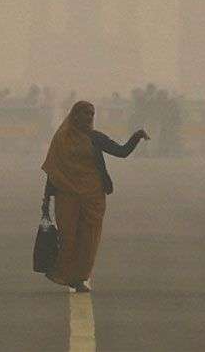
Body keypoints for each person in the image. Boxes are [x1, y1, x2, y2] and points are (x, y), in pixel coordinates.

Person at [41, 101, 149, 292]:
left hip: (93, 196)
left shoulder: (95, 138)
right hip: (66, 195)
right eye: (85, 114)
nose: (89, 117)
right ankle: (63, 273)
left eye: (92, 114)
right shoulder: (62, 139)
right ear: (75, 116)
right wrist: (46, 198)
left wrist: (137, 136)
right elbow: (54, 169)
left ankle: (79, 278)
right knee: (68, 236)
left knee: (88, 238)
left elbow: (121, 151)